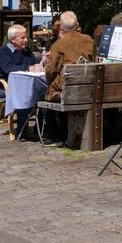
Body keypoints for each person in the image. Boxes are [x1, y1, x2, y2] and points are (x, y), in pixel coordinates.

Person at [42, 11, 94, 145]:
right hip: (88, 87)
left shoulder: (59, 45)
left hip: (67, 91)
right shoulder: (89, 40)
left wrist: (50, 82)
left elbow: (51, 71)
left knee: (47, 94)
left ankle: (54, 135)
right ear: (77, 25)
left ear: (62, 28)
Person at [0, 23, 36, 114]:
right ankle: (22, 127)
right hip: (7, 87)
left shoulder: (27, 51)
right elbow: (9, 69)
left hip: (26, 85)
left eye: (26, 37)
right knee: (23, 95)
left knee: (45, 93)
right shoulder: (3, 51)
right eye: (22, 38)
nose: (26, 40)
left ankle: (42, 126)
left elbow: (34, 64)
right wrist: (28, 68)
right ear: (13, 40)